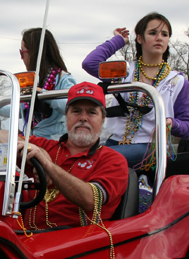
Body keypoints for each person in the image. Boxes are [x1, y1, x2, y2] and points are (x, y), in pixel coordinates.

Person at [82, 13, 189, 168]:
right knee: (81, 158)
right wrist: (119, 41)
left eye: (164, 34)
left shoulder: (177, 81)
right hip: (114, 142)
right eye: (153, 33)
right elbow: (90, 63)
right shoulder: (124, 71)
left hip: (150, 148)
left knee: (96, 160)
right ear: (140, 38)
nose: (159, 38)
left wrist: (171, 123)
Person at [15, 82, 128, 229]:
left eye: (92, 112)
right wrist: (39, 151)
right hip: (26, 240)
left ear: (103, 119)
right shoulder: (47, 146)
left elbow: (91, 200)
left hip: (80, 245)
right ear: (66, 116)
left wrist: (48, 166)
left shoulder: (113, 160)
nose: (83, 118)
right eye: (76, 111)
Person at [3, 28, 76, 139]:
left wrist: (43, 94)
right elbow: (19, 109)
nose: (21, 58)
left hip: (56, 144)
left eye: (22, 52)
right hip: (31, 142)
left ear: (34, 53)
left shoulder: (63, 79)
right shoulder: (31, 81)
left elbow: (73, 106)